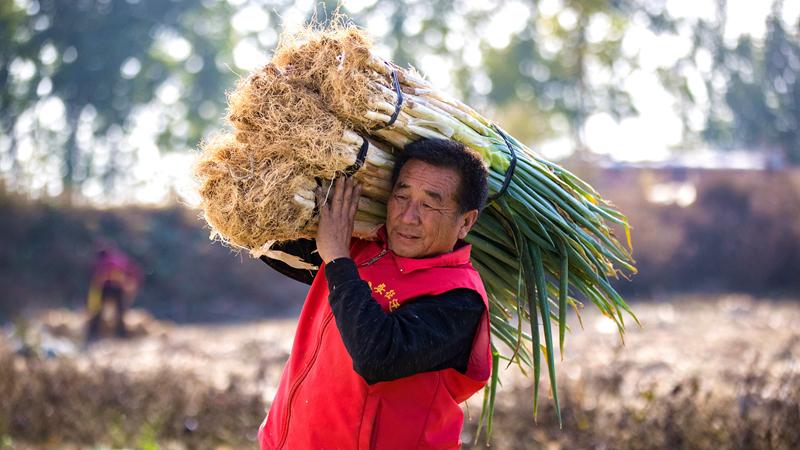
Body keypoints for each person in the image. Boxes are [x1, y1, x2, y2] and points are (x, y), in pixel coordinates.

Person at [258, 138, 491, 449]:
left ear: (465, 222)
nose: (408, 216)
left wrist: (339, 259)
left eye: (429, 204)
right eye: (402, 196)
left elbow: (376, 356)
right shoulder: (360, 243)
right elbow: (268, 239)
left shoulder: (461, 298)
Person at [86, 242, 144, 341]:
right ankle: (122, 335)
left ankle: (92, 334)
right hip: (119, 288)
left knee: (98, 311)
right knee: (120, 312)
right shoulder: (122, 259)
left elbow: (97, 277)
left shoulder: (102, 261)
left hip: (105, 288)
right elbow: (135, 272)